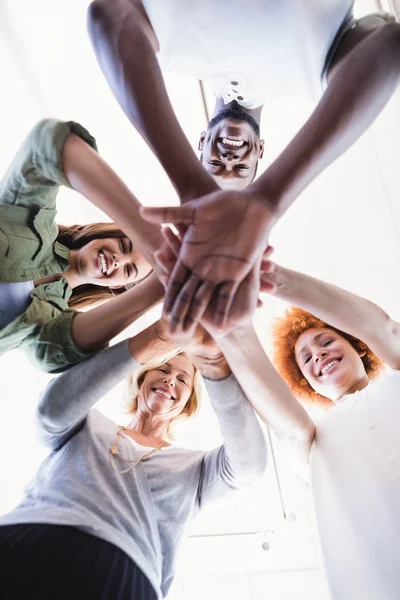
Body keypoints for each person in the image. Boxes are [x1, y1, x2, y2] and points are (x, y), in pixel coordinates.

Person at [88, 0, 400, 331]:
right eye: (240, 169)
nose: (229, 159)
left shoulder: (167, 50)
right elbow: (389, 45)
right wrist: (269, 198)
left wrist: (191, 186)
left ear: (201, 142)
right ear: (260, 151)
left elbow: (108, 14)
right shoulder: (320, 79)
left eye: (214, 164)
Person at [0, 317, 267, 599]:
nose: (169, 379)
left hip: (124, 574)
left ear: (188, 402)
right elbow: (50, 411)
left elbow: (250, 466)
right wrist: (149, 341)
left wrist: (214, 366)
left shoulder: (197, 469)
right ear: (142, 377)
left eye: (182, 380)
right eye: (163, 369)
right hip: (34, 538)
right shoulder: (86, 424)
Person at [251, 260, 400, 599]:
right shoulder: (314, 439)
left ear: (358, 344)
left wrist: (268, 276)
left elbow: (385, 329)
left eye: (326, 341)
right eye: (306, 358)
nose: (318, 354)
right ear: (307, 384)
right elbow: (281, 420)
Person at [0, 118, 163, 372]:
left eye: (128, 270)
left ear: (118, 285)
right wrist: (150, 235)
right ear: (106, 234)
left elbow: (50, 354)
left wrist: (164, 285)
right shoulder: (33, 223)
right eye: (124, 245)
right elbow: (45, 143)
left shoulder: (53, 319)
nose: (118, 259)